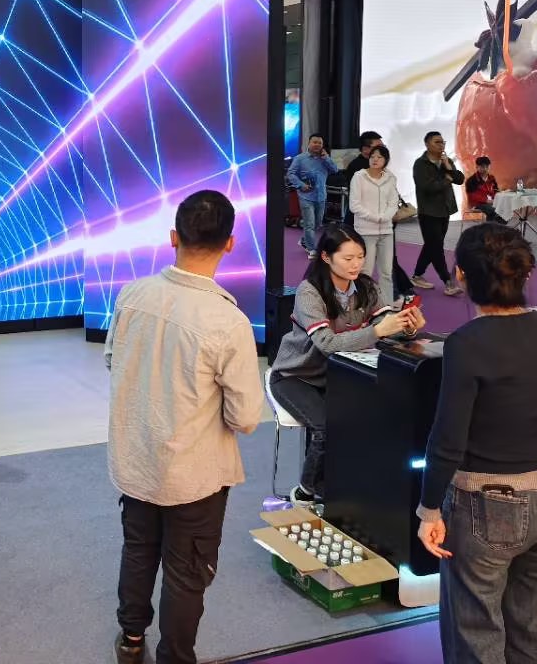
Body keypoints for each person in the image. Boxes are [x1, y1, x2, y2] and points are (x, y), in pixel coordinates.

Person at [105, 190, 264, 664]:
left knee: (138, 549)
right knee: (186, 571)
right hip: (194, 473)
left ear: (173, 237)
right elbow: (246, 418)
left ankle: (131, 640)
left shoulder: (132, 295)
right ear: (230, 243)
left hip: (136, 459)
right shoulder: (228, 321)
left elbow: (113, 360)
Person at [417, 224, 537, 664]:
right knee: (530, 631)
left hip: (487, 507)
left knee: (476, 636)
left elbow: (448, 438)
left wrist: (429, 509)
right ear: (523, 273)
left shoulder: (466, 343)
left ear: (462, 275)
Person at [270, 226, 424, 507]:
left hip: (339, 374)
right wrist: (378, 331)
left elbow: (385, 324)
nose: (356, 264)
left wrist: (407, 326)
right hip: (296, 376)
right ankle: (306, 491)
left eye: (360, 257)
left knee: (366, 420)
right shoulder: (309, 292)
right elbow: (327, 343)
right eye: (348, 258)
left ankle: (345, 486)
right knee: (326, 427)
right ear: (326, 257)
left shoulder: (366, 286)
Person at [412, 131, 466, 296]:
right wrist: (446, 180)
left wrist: (449, 168)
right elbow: (428, 187)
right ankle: (448, 282)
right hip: (428, 211)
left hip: (445, 209)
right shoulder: (420, 164)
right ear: (427, 144)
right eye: (437, 142)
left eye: (443, 142)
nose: (441, 145)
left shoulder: (446, 161)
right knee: (436, 247)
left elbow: (460, 179)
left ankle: (417, 275)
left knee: (432, 245)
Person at [349, 144, 400, 306]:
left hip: (386, 231)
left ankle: (387, 305)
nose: (375, 160)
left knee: (386, 272)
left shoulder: (390, 178)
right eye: (372, 157)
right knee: (365, 271)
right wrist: (375, 217)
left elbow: (393, 202)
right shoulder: (359, 177)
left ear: (386, 160)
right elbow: (354, 205)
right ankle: (363, 305)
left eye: (379, 157)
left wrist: (386, 217)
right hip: (365, 231)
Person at [287, 134, 337, 257]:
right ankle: (311, 249)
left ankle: (304, 240)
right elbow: (291, 173)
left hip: (321, 196)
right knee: (309, 223)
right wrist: (300, 184)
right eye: (315, 142)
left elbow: (335, 170)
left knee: (318, 223)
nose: (317, 145)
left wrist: (326, 158)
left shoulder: (325, 159)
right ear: (309, 143)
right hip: (306, 196)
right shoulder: (300, 158)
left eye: (320, 143)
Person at [464, 155, 502, 222]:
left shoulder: (492, 178)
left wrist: (497, 197)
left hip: (491, 203)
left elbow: (496, 190)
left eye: (487, 167)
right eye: (482, 167)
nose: (485, 169)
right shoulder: (471, 180)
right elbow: (472, 196)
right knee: (494, 210)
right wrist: (487, 201)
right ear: (477, 167)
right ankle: (491, 227)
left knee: (506, 210)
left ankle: (491, 227)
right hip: (477, 204)